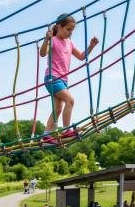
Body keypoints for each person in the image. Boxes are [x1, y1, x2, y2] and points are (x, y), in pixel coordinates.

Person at [38, 13, 99, 145]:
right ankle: (67, 130)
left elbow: (82, 56)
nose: (70, 32)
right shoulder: (53, 40)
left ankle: (47, 135)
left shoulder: (69, 43)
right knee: (70, 101)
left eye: (72, 30)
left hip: (63, 80)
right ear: (59, 27)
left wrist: (91, 46)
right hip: (52, 78)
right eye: (68, 29)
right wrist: (46, 40)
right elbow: (42, 54)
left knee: (58, 107)